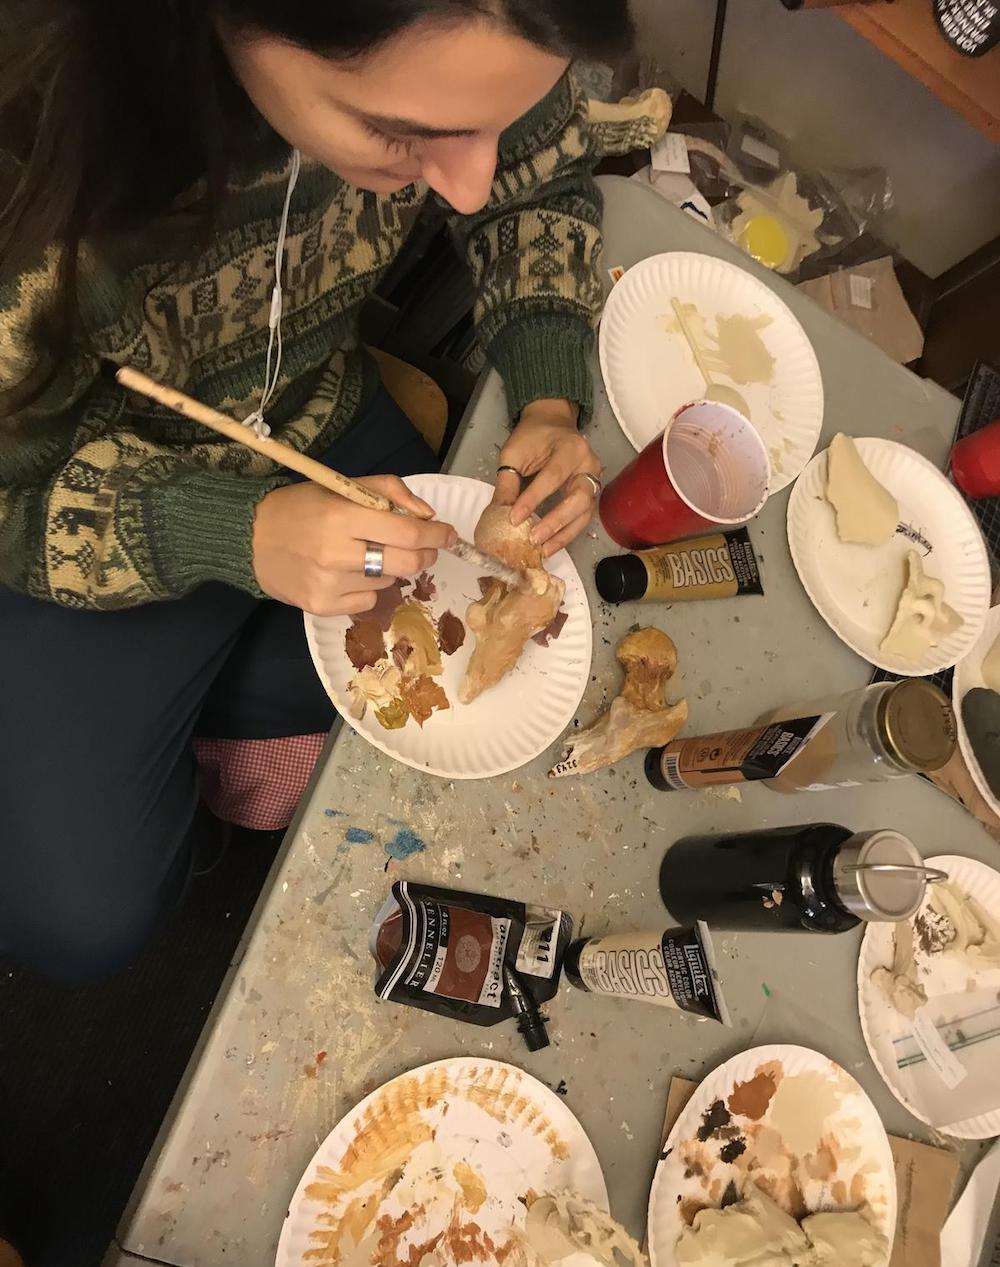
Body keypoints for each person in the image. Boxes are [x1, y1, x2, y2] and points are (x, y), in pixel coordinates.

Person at [0, 0, 668, 983]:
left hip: (325, 425)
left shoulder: (465, 48)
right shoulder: (42, 162)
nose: (470, 182)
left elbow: (537, 176)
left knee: (471, 723)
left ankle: (214, 727)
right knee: (78, 919)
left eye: (486, 126)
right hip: (103, 492)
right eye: (405, 133)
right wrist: (234, 532)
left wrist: (549, 388)